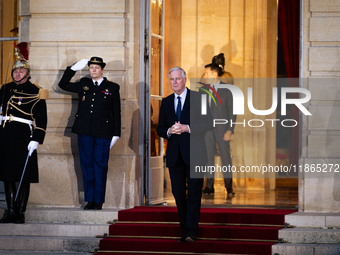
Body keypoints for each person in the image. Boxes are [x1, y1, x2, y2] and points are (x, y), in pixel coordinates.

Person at [157, 67, 212, 242]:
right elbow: (160, 128)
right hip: (174, 155)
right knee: (178, 192)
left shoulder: (199, 98)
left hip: (195, 153)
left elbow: (208, 123)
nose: (174, 82)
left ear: (185, 80)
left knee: (194, 192)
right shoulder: (165, 102)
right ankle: (185, 225)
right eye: (172, 79)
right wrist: (169, 131)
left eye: (178, 79)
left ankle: (190, 230)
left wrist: (187, 128)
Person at [58, 57, 121, 210]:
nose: (93, 70)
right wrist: (73, 68)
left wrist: (116, 133)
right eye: (91, 67)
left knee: (100, 165)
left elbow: (116, 112)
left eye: (96, 67)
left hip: (103, 133)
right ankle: (90, 199)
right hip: (84, 131)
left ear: (102, 69)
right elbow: (63, 84)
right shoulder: (83, 85)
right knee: (86, 165)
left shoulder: (112, 87)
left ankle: (98, 200)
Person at [0, 42, 48, 224]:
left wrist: (37, 139)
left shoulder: (36, 91)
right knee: (7, 175)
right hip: (5, 134)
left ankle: (20, 212)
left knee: (23, 175)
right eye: (15, 71)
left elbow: (42, 119)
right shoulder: (6, 88)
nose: (17, 74)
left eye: (21, 71)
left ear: (28, 74)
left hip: (23, 137)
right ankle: (10, 211)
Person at [202, 53, 237, 199]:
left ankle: (228, 187)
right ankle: (209, 186)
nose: (204, 75)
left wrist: (230, 130)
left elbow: (233, 111)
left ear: (214, 74)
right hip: (207, 130)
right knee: (208, 158)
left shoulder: (228, 89)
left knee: (225, 158)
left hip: (223, 129)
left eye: (207, 73)